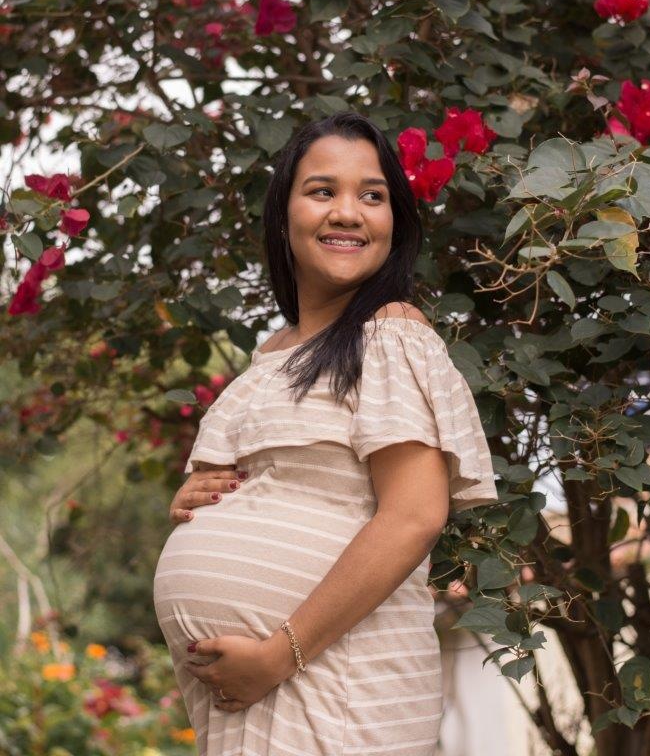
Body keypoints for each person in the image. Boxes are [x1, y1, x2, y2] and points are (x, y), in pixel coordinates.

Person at [153, 110, 498, 756]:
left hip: (337, 691)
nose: (347, 213)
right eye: (322, 191)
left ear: (395, 221)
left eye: (372, 195)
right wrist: (203, 499)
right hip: (260, 698)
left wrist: (276, 657)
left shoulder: (390, 334)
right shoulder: (272, 356)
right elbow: (273, 482)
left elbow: (414, 517)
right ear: (283, 215)